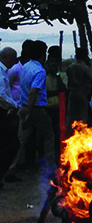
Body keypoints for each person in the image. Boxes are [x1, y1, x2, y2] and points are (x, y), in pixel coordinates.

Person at [5, 40, 56, 183]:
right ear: (42, 54)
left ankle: (9, 168)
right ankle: (50, 168)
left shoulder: (25, 66)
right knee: (49, 135)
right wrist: (30, 113)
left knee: (21, 139)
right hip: (36, 109)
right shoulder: (40, 71)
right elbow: (33, 92)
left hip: (23, 107)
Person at [0, 47, 20, 186]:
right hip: (3, 111)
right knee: (11, 145)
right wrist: (14, 106)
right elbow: (1, 95)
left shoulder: (4, 71)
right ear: (6, 58)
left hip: (6, 110)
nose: (14, 63)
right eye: (12, 59)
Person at [66, 47, 92, 134]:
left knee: (71, 117)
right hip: (82, 94)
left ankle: (69, 134)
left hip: (72, 93)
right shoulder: (85, 68)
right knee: (82, 117)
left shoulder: (70, 67)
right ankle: (81, 135)